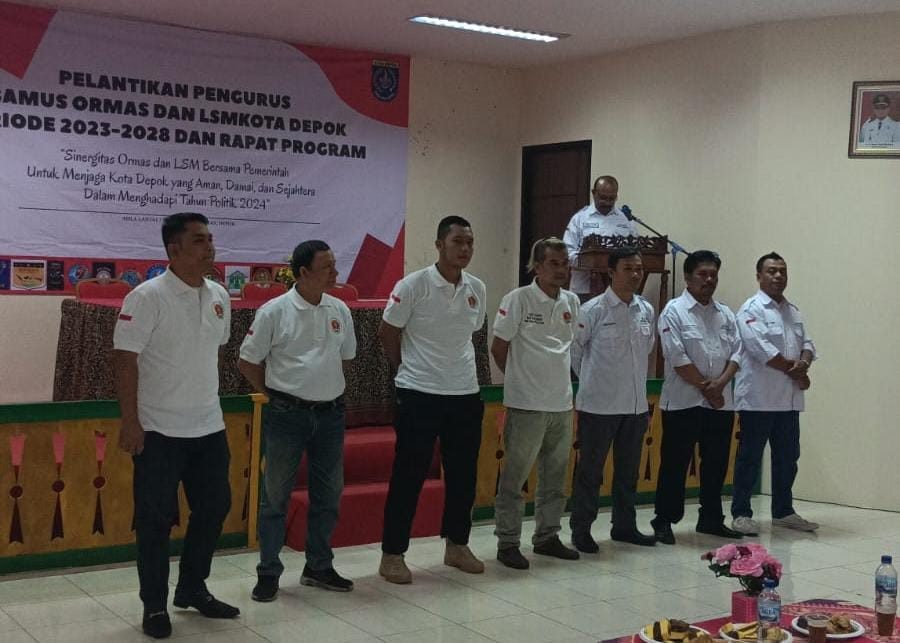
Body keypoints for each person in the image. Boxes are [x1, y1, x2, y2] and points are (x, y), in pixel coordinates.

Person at [113, 212, 239, 640]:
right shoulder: (146, 297)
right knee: (154, 520)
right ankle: (154, 604)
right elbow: (125, 360)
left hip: (208, 426)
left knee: (215, 508)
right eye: (200, 240)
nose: (210, 247)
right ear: (174, 249)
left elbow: (213, 351)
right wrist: (130, 421)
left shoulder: (219, 295)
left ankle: (192, 588)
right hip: (158, 430)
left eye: (211, 239)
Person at [238, 240, 356, 601]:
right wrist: (276, 394)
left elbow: (346, 358)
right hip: (286, 415)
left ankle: (318, 566)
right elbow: (247, 361)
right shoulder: (274, 311)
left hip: (330, 415)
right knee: (275, 497)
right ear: (303, 272)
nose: (335, 273)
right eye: (327, 267)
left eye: (335, 265)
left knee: (328, 495)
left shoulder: (340, 309)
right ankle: (268, 572)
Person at [377, 215, 486, 584]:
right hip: (419, 393)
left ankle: (457, 545)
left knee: (464, 476)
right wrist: (406, 369)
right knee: (408, 476)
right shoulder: (413, 285)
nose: (465, 249)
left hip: (464, 393)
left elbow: (470, 332)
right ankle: (393, 553)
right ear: (439, 245)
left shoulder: (477, 288)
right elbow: (387, 332)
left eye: (469, 242)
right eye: (457, 242)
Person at [491, 237, 581, 569]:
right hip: (526, 405)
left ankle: (547, 537)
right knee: (515, 479)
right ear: (537, 267)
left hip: (562, 405)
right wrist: (520, 381)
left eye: (565, 263)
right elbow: (499, 347)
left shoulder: (572, 301)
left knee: (555, 479)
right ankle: (508, 542)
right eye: (553, 263)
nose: (561, 270)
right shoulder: (518, 299)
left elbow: (568, 348)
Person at [650, 250, 744, 545]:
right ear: (688, 277)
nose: (709, 280)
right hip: (683, 402)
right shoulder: (674, 311)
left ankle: (711, 519)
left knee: (716, 463)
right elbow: (676, 356)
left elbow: (737, 353)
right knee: (675, 464)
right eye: (703, 274)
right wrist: (708, 389)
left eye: (713, 275)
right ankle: (664, 520)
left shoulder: (725, 313)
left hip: (720, 404)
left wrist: (721, 385)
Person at [569, 247, 657, 551]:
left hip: (634, 407)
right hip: (598, 406)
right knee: (590, 473)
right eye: (628, 268)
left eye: (639, 269)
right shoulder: (593, 309)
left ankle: (624, 526)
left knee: (628, 473)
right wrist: (593, 381)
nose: (635, 274)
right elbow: (575, 352)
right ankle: (581, 529)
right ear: (611, 272)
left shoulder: (646, 310)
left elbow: (647, 349)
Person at [730, 252, 818, 535]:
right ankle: (741, 513)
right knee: (750, 458)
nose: (778, 276)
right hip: (758, 398)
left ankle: (783, 511)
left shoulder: (793, 311)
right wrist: (798, 372)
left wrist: (803, 364)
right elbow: (761, 350)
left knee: (788, 458)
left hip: (788, 400)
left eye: (782, 271)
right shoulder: (750, 309)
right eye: (771, 271)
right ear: (759, 276)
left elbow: (808, 344)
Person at [563, 175, 638, 298]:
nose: (607, 202)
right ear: (593, 193)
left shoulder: (626, 220)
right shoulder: (579, 218)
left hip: (618, 291)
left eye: (611, 198)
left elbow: (635, 252)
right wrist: (590, 261)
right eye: (603, 197)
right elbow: (567, 254)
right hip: (584, 290)